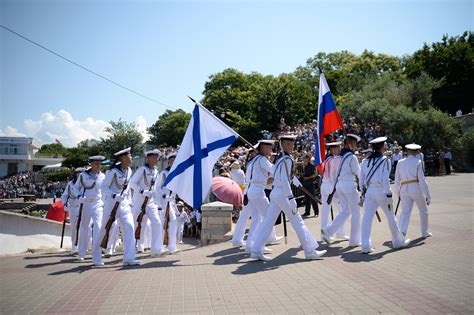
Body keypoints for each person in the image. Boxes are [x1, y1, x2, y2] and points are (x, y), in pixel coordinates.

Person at [250, 135, 327, 261]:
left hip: (276, 193)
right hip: (283, 194)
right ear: (285, 144)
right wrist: (291, 198)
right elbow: (285, 180)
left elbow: (280, 175)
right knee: (298, 221)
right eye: (291, 144)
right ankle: (309, 250)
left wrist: (296, 182)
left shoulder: (280, 159)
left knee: (268, 222)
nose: (293, 146)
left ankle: (256, 249)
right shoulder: (287, 159)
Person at [359, 137, 410, 253]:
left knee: (367, 219)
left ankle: (365, 246)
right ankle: (398, 242)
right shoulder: (384, 160)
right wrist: (388, 194)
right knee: (391, 217)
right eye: (384, 145)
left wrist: (362, 192)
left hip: (369, 192)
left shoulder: (365, 161)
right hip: (381, 191)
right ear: (381, 147)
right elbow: (385, 179)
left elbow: (361, 180)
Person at [97, 148, 140, 266]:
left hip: (124, 204)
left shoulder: (129, 170)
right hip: (111, 203)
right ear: (123, 158)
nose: (131, 158)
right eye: (129, 156)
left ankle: (129, 257)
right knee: (104, 229)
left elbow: (127, 188)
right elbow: (104, 187)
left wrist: (129, 201)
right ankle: (96, 257)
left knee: (130, 228)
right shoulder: (113, 172)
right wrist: (114, 195)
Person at [321, 134, 362, 247]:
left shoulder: (338, 157)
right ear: (349, 143)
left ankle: (328, 231)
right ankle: (354, 240)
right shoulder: (351, 157)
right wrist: (364, 186)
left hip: (339, 185)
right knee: (355, 212)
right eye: (354, 143)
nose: (355, 146)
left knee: (345, 211)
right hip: (349, 185)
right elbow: (358, 173)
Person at [243, 140, 281, 254]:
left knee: (256, 220)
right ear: (263, 148)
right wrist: (281, 165)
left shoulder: (254, 160)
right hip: (258, 191)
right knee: (269, 217)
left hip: (252, 190)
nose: (270, 151)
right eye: (269, 148)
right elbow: (274, 170)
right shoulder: (263, 159)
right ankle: (259, 245)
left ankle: (250, 245)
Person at [130, 149, 166, 257]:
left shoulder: (155, 171)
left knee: (157, 223)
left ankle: (156, 249)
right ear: (149, 158)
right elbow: (132, 183)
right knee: (137, 224)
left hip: (150, 202)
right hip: (139, 201)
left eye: (157, 157)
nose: (156, 159)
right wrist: (142, 191)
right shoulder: (142, 170)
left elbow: (154, 188)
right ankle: (135, 247)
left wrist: (158, 202)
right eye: (154, 157)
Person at [394, 143, 432, 238]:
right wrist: (427, 195)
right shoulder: (418, 162)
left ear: (407, 151)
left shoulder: (400, 162)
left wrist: (397, 192)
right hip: (415, 187)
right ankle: (424, 232)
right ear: (417, 152)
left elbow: (397, 179)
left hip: (403, 188)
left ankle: (402, 233)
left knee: (405, 212)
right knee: (423, 210)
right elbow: (422, 180)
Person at [73, 156, 106, 264]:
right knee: (84, 228)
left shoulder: (102, 176)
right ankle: (81, 253)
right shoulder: (83, 175)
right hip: (86, 202)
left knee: (99, 227)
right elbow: (75, 188)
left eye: (99, 163)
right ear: (91, 164)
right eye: (96, 163)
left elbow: (104, 190)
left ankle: (97, 257)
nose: (98, 165)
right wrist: (78, 196)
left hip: (97, 203)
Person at [319, 142, 347, 241]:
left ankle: (324, 235)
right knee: (342, 210)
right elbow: (333, 176)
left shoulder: (326, 160)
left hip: (324, 185)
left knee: (325, 211)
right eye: (336, 148)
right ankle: (339, 233)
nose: (337, 150)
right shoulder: (335, 160)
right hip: (331, 186)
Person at [155, 153, 179, 254]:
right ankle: (160, 246)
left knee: (173, 222)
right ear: (169, 162)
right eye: (172, 160)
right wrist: (164, 195)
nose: (174, 162)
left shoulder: (177, 173)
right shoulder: (164, 173)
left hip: (171, 202)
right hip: (163, 201)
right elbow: (157, 187)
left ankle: (172, 246)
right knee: (162, 223)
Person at [60, 167, 84, 255]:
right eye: (78, 173)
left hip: (84, 207)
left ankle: (84, 246)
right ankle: (74, 247)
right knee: (74, 228)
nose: (79, 175)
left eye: (81, 173)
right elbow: (64, 195)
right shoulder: (71, 184)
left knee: (84, 227)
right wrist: (65, 204)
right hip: (73, 207)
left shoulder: (85, 183)